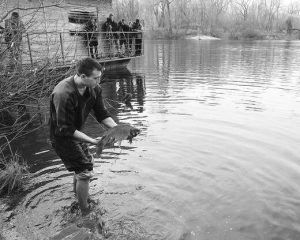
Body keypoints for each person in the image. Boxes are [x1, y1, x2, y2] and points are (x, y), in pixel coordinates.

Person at [49, 58, 118, 216]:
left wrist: (118, 129)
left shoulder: (94, 89)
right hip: (62, 137)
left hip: (75, 132)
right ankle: (85, 211)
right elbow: (66, 129)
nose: (98, 81)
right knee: (85, 170)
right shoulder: (63, 93)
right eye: (95, 78)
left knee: (85, 165)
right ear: (81, 76)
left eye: (99, 77)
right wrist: (94, 141)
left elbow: (101, 114)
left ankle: (77, 196)